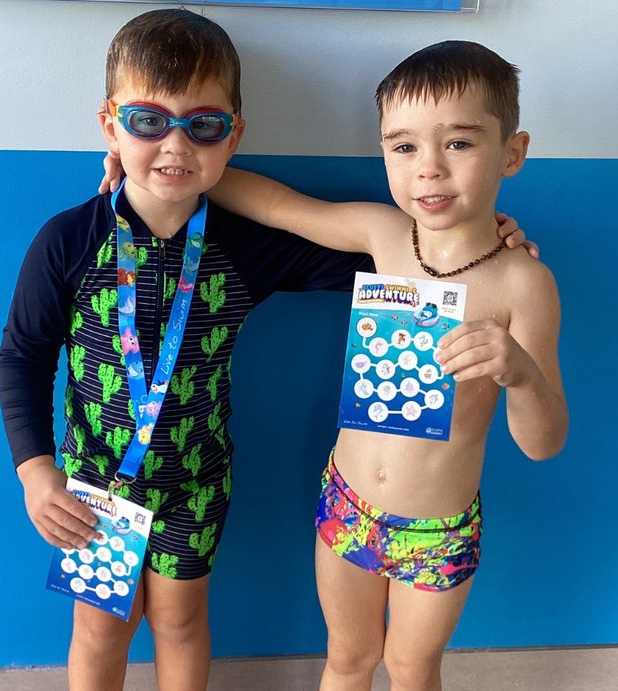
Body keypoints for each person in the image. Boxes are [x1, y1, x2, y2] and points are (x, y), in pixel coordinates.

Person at [0, 8, 528, 690]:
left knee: (181, 622)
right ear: (111, 125)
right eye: (147, 121)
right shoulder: (68, 241)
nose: (175, 145)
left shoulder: (243, 247)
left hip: (197, 482)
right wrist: (35, 470)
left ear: (233, 136)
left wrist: (474, 241)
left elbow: (399, 263)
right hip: (94, 482)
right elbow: (23, 354)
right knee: (100, 629)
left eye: (204, 126)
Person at [206, 40, 569, 690]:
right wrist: (171, 166)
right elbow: (277, 207)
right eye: (403, 146)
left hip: (438, 528)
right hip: (347, 503)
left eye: (459, 143)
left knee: (410, 666)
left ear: (511, 153)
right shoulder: (383, 235)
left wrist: (517, 371)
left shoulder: (524, 283)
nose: (428, 168)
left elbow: (544, 444)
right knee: (347, 659)